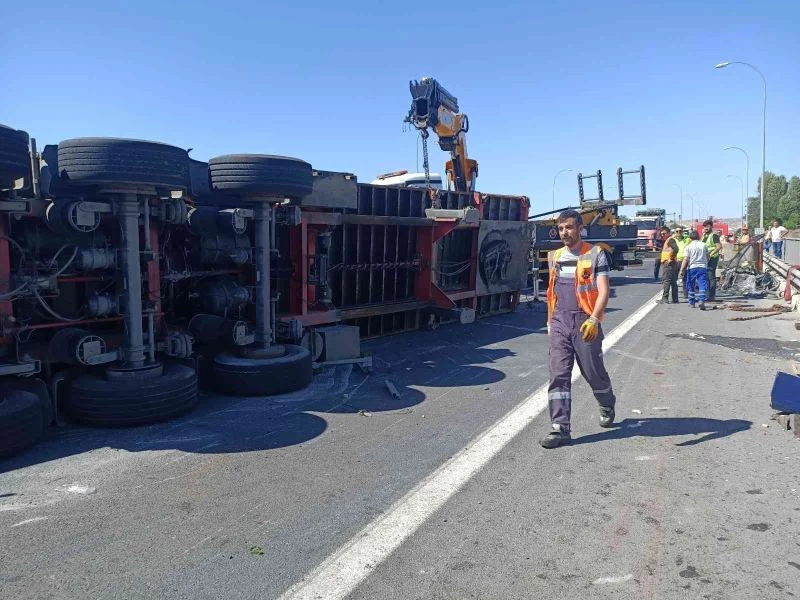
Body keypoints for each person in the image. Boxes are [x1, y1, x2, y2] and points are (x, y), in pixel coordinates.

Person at [541, 209, 616, 449]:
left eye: (570, 228)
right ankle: (560, 428)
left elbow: (603, 290)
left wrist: (594, 319)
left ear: (580, 229)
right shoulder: (554, 257)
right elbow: (551, 293)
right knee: (558, 374)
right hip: (561, 321)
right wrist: (550, 321)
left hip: (585, 321)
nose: (565, 233)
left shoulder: (595, 254)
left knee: (593, 372)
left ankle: (606, 402)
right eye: (561, 229)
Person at [679, 230, 709, 310]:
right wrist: (706, 263)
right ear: (698, 237)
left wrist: (682, 270)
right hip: (703, 267)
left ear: (690, 238)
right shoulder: (704, 245)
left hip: (692, 267)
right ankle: (701, 300)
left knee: (690, 284)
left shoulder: (688, 247)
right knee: (702, 284)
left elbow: (686, 259)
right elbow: (708, 256)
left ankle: (692, 302)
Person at [656, 226, 680, 304]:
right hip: (671, 263)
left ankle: (665, 298)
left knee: (666, 280)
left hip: (668, 263)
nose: (662, 235)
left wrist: (671, 258)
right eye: (661, 234)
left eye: (664, 233)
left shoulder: (670, 240)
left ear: (668, 233)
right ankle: (675, 299)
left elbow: (676, 249)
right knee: (673, 281)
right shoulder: (669, 240)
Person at [701, 220, 722, 301]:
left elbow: (719, 246)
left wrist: (711, 254)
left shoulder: (714, 236)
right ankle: (707, 294)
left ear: (711, 226)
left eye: (708, 226)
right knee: (705, 277)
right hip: (705, 258)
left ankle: (711, 296)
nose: (706, 228)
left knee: (711, 276)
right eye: (705, 226)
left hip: (712, 258)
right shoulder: (704, 236)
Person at [673, 226, 691, 299]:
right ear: (675, 232)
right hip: (676, 260)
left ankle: (685, 294)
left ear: (682, 232)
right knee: (674, 278)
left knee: (685, 278)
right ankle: (675, 295)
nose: (679, 232)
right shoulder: (673, 240)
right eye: (677, 231)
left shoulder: (687, 239)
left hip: (685, 260)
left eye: (680, 231)